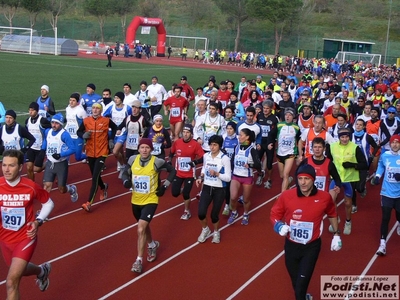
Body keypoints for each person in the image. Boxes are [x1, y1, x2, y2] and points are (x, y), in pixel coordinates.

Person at [270, 164, 342, 300]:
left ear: (313, 180)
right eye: (300, 179)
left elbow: (332, 214)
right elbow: (274, 214)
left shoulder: (324, 197)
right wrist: (278, 226)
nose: (302, 182)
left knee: (301, 284)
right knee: (296, 281)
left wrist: (336, 235)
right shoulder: (287, 196)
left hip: (311, 247)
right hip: (291, 246)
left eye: (306, 179)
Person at [0, 150, 55, 298]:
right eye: (4, 165)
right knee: (20, 270)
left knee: (11, 281)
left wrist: (38, 221)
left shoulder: (30, 186)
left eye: (11, 166)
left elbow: (48, 203)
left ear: (20, 167)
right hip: (5, 239)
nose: (6, 169)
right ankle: (41, 271)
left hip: (25, 237)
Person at [121, 138, 176, 273]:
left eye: (147, 147)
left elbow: (172, 171)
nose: (144, 150)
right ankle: (152, 244)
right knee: (143, 226)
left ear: (151, 149)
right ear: (138, 149)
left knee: (140, 229)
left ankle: (138, 260)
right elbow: (124, 172)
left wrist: (164, 187)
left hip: (151, 200)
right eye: (142, 147)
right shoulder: (133, 159)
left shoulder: (156, 162)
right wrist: (126, 181)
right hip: (136, 200)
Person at [326, 128, 368, 235]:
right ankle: (336, 218)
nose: (345, 139)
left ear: (349, 137)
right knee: (331, 200)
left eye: (347, 137)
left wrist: (352, 165)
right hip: (336, 178)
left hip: (350, 179)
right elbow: (328, 161)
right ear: (339, 137)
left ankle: (348, 221)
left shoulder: (355, 148)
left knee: (348, 203)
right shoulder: (332, 147)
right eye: (342, 137)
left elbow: (364, 165)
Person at [77, 103, 118, 212]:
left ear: (101, 110)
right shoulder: (86, 121)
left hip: (102, 151)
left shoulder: (106, 120)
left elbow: (115, 128)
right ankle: (103, 186)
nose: (95, 110)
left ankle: (88, 203)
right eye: (94, 108)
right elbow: (79, 131)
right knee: (96, 175)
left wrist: (111, 139)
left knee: (94, 177)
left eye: (97, 108)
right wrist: (83, 135)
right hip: (90, 152)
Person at [195, 135, 231, 243]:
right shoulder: (206, 156)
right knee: (201, 213)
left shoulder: (225, 159)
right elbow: (204, 167)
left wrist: (217, 174)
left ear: (220, 146)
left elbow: (228, 178)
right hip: (207, 187)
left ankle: (216, 232)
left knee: (214, 215)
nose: (212, 147)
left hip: (219, 189)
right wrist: (201, 177)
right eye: (211, 145)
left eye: (215, 145)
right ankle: (205, 229)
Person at [372, 135, 400, 256]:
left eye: (397, 142)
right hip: (386, 193)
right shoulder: (385, 156)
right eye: (392, 142)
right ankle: (382, 244)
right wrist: (377, 177)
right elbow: (381, 167)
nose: (394, 144)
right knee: (385, 218)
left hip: (399, 194)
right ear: (389, 144)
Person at [227, 128, 262, 225]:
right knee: (233, 197)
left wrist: (249, 165)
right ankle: (234, 212)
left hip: (247, 178)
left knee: (246, 200)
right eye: (239, 135)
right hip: (236, 176)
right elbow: (232, 160)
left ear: (247, 137)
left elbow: (258, 165)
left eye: (241, 135)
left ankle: (246, 213)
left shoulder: (252, 150)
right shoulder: (236, 147)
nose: (239, 137)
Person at [169, 124, 204, 220]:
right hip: (179, 173)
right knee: (175, 193)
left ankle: (187, 211)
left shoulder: (195, 144)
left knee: (186, 194)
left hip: (189, 174)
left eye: (187, 132)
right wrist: (170, 159)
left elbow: (203, 157)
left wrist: (195, 162)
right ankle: (182, 191)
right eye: (184, 132)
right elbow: (172, 152)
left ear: (191, 134)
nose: (185, 134)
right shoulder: (177, 143)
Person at [42, 113, 78, 202]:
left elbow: (73, 149)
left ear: (61, 124)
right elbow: (46, 141)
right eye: (53, 122)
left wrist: (60, 155)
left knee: (62, 189)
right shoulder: (48, 131)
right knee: (46, 186)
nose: (54, 125)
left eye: (56, 123)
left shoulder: (65, 135)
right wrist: (42, 150)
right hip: (50, 163)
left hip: (61, 164)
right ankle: (44, 210)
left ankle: (71, 189)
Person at [102, 91, 132, 177]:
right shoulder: (111, 108)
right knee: (120, 152)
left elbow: (131, 118)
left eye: (118, 98)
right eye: (115, 98)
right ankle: (125, 166)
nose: (116, 99)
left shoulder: (127, 108)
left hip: (123, 133)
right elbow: (104, 117)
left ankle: (122, 166)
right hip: (113, 133)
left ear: (121, 99)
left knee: (115, 152)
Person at [276, 108, 301, 192]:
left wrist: (298, 154)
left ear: (293, 117)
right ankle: (289, 180)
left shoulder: (296, 127)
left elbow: (299, 140)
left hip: (290, 153)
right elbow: (271, 135)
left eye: (290, 115)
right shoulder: (279, 125)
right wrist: (269, 143)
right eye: (286, 115)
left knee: (285, 174)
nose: (287, 116)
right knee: (282, 176)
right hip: (280, 153)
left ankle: (282, 195)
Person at [25, 102, 51, 181]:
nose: (30, 112)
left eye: (32, 110)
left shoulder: (43, 121)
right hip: (31, 147)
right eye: (29, 110)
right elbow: (26, 132)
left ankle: (47, 163)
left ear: (37, 111)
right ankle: (31, 185)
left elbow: (51, 131)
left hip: (40, 148)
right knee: (29, 167)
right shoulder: (27, 121)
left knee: (37, 169)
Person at [257, 100, 279, 188]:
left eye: (267, 108)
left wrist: (272, 143)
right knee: (257, 162)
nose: (265, 110)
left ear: (271, 109)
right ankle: (260, 174)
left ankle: (269, 179)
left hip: (269, 143)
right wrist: (257, 142)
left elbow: (276, 132)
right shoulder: (259, 116)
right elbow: (257, 128)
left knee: (269, 163)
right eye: (264, 108)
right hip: (261, 142)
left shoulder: (274, 118)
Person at [65, 93, 88, 162]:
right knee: (66, 155)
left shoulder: (81, 111)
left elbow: (86, 123)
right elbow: (68, 121)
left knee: (78, 157)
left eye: (73, 100)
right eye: (70, 100)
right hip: (68, 135)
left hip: (77, 137)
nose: (71, 102)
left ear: (77, 102)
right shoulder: (67, 109)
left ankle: (90, 156)